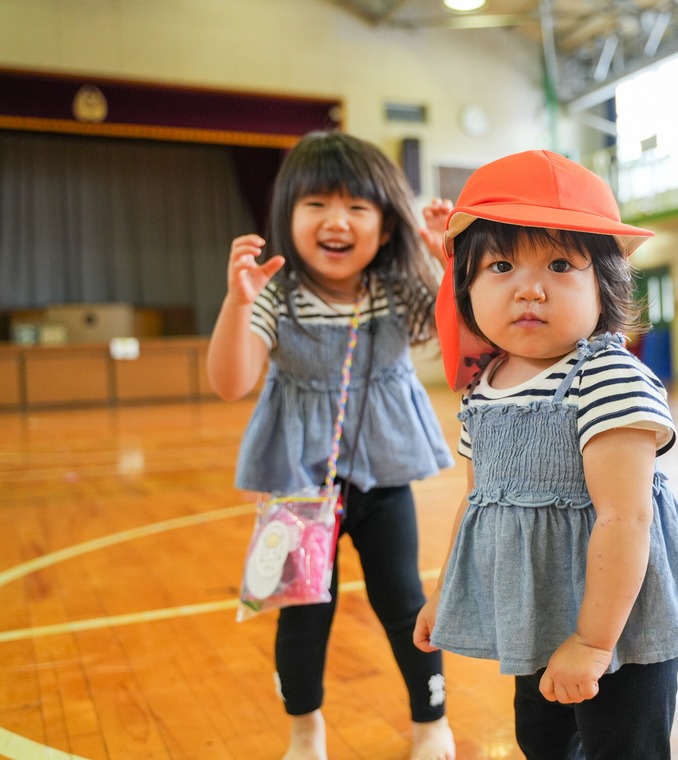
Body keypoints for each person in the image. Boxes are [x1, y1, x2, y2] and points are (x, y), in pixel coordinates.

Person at [413, 149, 678, 759]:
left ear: (603, 287)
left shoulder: (607, 377)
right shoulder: (486, 387)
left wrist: (593, 641)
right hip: (537, 614)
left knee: (621, 749)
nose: (531, 287)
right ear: (468, 289)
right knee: (542, 742)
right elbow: (476, 502)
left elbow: (625, 518)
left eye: (559, 263)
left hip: (620, 626)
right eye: (501, 265)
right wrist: (444, 591)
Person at [206, 131, 456, 760]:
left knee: (402, 600)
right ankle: (305, 731)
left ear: (385, 223)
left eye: (357, 207)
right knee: (302, 610)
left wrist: (448, 261)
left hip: (383, 475)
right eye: (316, 203)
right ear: (288, 215)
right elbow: (230, 382)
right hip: (299, 479)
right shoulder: (275, 295)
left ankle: (432, 722)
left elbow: (466, 336)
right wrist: (237, 305)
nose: (337, 221)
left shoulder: (398, 289)